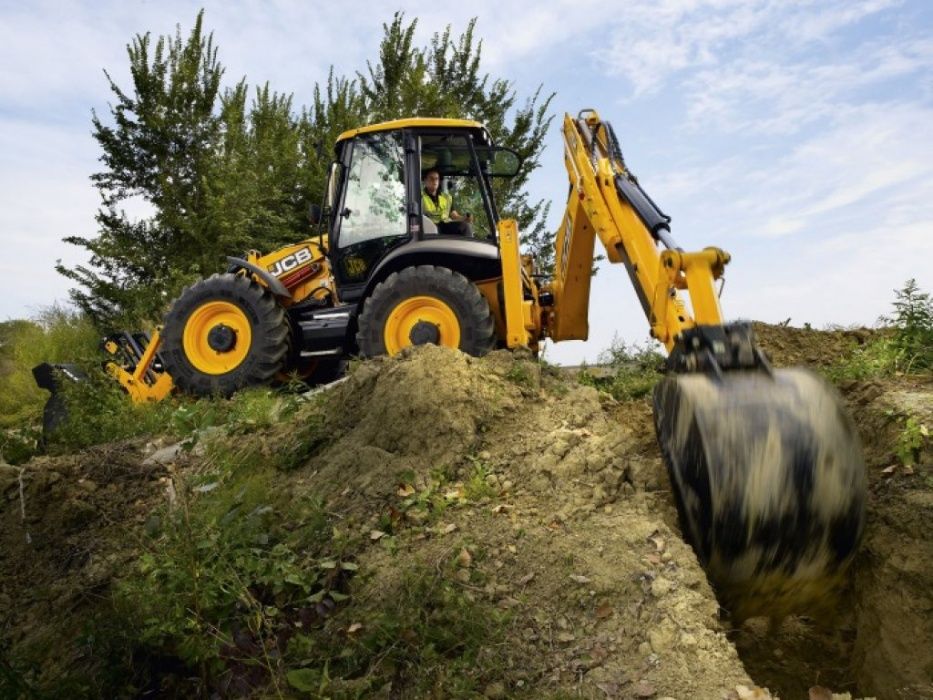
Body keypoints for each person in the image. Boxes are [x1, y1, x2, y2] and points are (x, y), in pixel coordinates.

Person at [421, 168, 474, 236]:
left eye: (437, 179)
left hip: (446, 226)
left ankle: (468, 246)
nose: (434, 181)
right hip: (430, 228)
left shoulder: (447, 197)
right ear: (425, 181)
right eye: (431, 178)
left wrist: (464, 218)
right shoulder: (420, 197)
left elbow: (454, 216)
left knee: (465, 226)